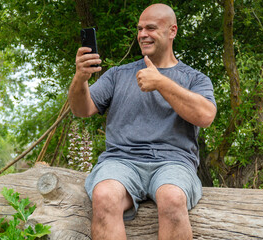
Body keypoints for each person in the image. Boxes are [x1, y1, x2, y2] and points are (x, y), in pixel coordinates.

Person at [68, 3, 217, 240]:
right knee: (104, 195)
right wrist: (80, 79)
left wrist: (161, 83)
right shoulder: (118, 74)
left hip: (173, 163)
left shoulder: (194, 78)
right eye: (139, 29)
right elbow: (81, 109)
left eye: (151, 28)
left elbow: (206, 116)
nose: (142, 34)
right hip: (121, 161)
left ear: (172, 31)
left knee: (172, 197)